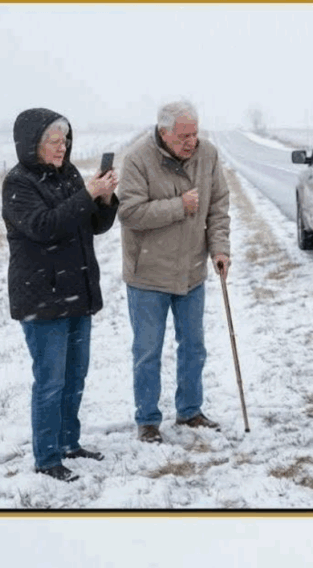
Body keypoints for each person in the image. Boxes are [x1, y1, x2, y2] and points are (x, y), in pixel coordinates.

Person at [2, 108, 119, 482]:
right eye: (53, 140)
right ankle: (47, 456)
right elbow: (45, 227)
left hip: (77, 293)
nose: (61, 146)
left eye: (65, 139)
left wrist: (103, 199)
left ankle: (70, 442)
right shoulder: (19, 183)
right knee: (51, 382)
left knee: (75, 377)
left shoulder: (68, 175)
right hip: (41, 298)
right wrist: (87, 193)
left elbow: (93, 225)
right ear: (32, 143)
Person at [118, 100, 231, 444]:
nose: (191, 142)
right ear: (164, 133)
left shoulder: (207, 155)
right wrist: (179, 206)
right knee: (148, 351)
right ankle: (148, 420)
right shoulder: (138, 159)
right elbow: (130, 213)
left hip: (191, 272)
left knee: (194, 347)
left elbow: (218, 206)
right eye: (184, 135)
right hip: (148, 275)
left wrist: (220, 248)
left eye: (195, 133)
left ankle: (190, 410)